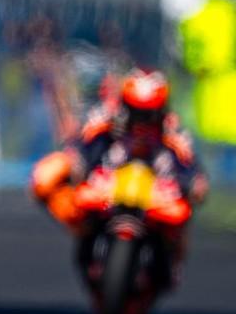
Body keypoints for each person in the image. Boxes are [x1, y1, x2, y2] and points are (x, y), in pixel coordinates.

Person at [31, 68, 208, 233]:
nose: (141, 122)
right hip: (107, 195)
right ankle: (85, 232)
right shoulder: (106, 124)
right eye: (135, 112)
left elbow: (193, 180)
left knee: (179, 214)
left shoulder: (172, 135)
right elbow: (80, 155)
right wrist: (82, 171)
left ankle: (168, 257)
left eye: (148, 114)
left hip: (153, 202)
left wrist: (188, 186)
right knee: (47, 175)